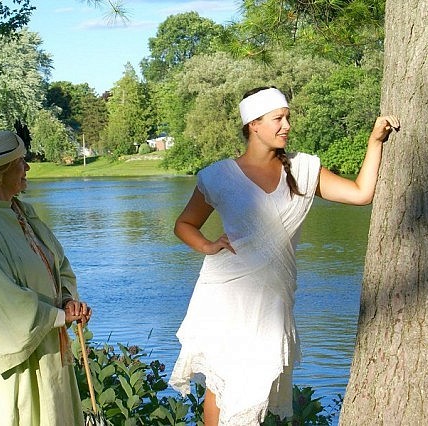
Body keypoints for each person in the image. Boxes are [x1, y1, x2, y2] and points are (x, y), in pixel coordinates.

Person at [168, 87, 400, 425]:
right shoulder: (218, 176)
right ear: (254, 124)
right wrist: (207, 245)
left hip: (273, 301)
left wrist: (374, 142)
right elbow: (185, 224)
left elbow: (361, 194)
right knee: (221, 379)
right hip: (224, 294)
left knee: (258, 375)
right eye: (278, 118)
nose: (287, 125)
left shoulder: (304, 170)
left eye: (288, 117)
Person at [0, 130, 92, 425]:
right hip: (13, 361)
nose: (27, 168)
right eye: (20, 161)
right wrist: (58, 316)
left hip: (46, 347)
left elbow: (58, 264)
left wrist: (67, 299)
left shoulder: (22, 212)